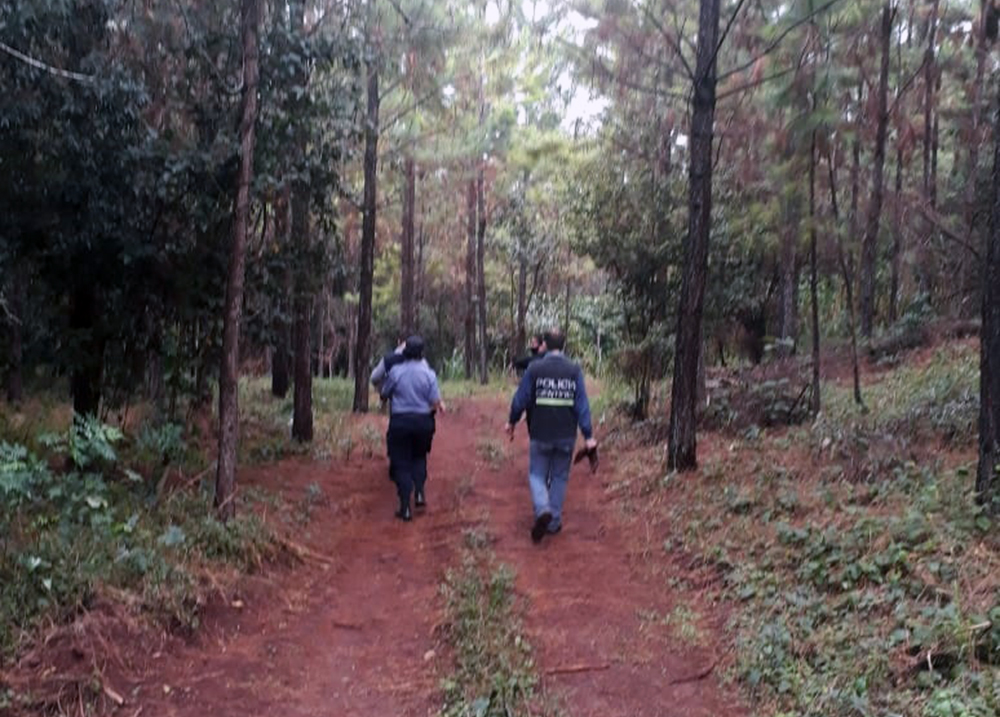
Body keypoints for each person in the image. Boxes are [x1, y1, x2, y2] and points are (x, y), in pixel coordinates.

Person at [505, 328, 597, 543]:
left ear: (544, 345)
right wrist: (588, 435)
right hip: (566, 435)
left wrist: (512, 421)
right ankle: (553, 521)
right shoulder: (574, 370)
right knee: (559, 477)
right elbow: (582, 405)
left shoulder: (535, 368)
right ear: (563, 346)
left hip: (540, 433)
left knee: (537, 475)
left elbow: (520, 399)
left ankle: (542, 509)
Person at [380, 335, 445, 521]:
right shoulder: (429, 374)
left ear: (405, 352)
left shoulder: (396, 372)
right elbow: (435, 400)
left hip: (400, 422)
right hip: (423, 422)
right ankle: (419, 493)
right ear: (422, 353)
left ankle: (405, 507)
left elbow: (385, 393)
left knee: (401, 462)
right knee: (419, 457)